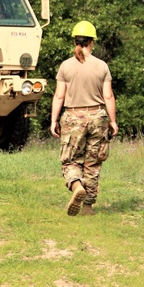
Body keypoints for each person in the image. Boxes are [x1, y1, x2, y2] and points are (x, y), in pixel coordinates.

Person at [50, 21, 118, 216]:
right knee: (93, 163)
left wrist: (54, 120)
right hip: (98, 117)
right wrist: (112, 121)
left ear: (75, 41)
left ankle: (76, 185)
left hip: (73, 117)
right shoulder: (102, 66)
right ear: (92, 42)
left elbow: (59, 96)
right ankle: (88, 206)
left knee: (70, 160)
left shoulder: (65, 66)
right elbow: (108, 96)